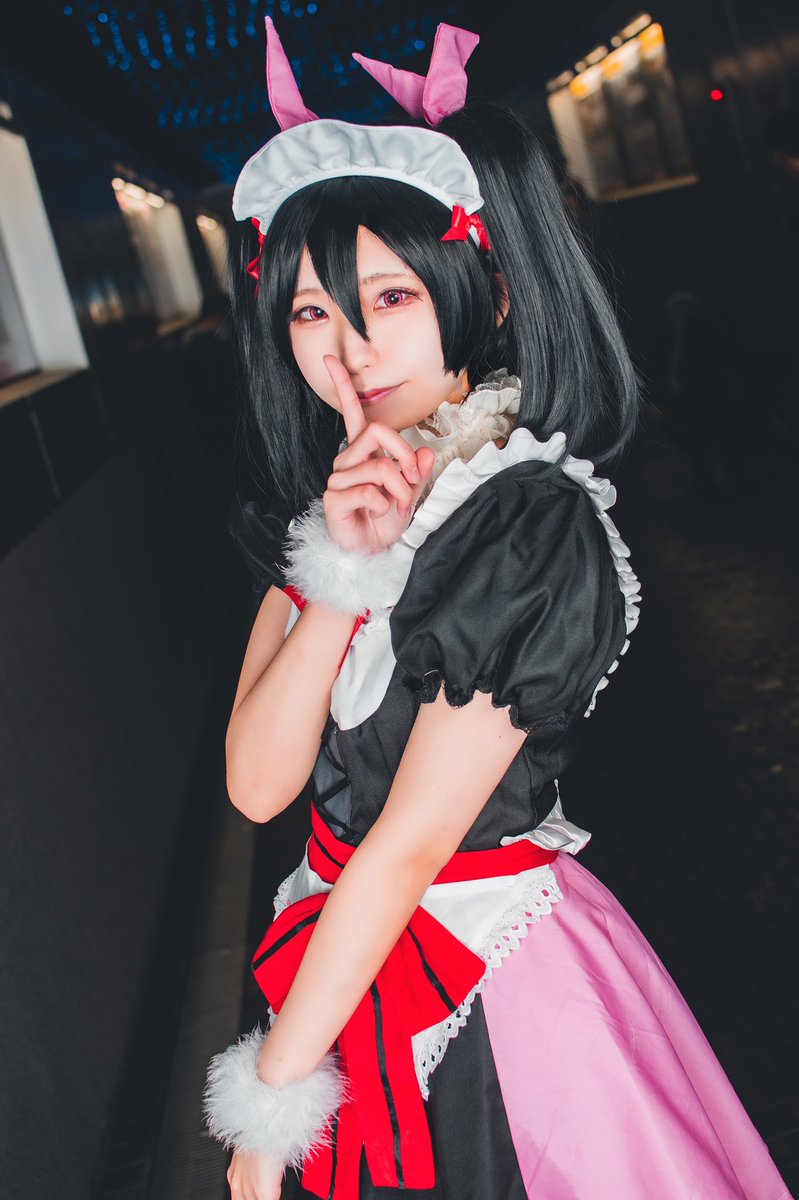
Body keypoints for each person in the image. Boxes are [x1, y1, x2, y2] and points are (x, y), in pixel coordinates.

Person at [203, 19, 794, 1200]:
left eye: (390, 294)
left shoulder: (530, 523)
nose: (348, 350)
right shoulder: (327, 507)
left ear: (488, 291)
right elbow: (260, 785)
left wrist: (269, 1107)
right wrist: (340, 573)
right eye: (310, 311)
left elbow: (413, 846)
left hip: (493, 988)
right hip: (339, 966)